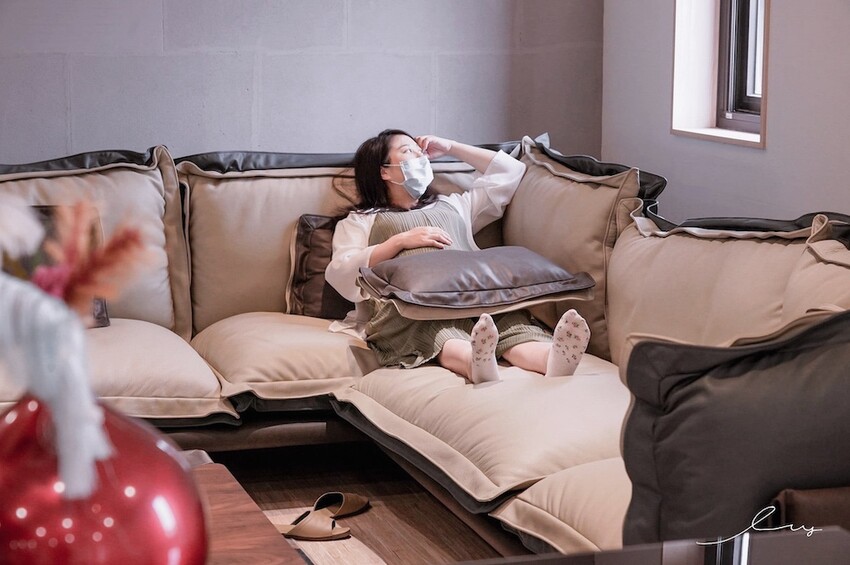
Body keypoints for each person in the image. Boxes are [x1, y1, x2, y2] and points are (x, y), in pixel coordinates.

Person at [325, 129, 590, 384]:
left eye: (420, 151)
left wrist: (450, 146)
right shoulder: (360, 220)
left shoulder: (455, 205)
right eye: (408, 151)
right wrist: (398, 242)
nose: (420, 156)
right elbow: (341, 272)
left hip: (470, 298)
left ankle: (551, 359)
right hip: (410, 308)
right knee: (434, 330)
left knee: (509, 322)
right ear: (384, 171)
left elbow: (511, 171)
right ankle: (475, 361)